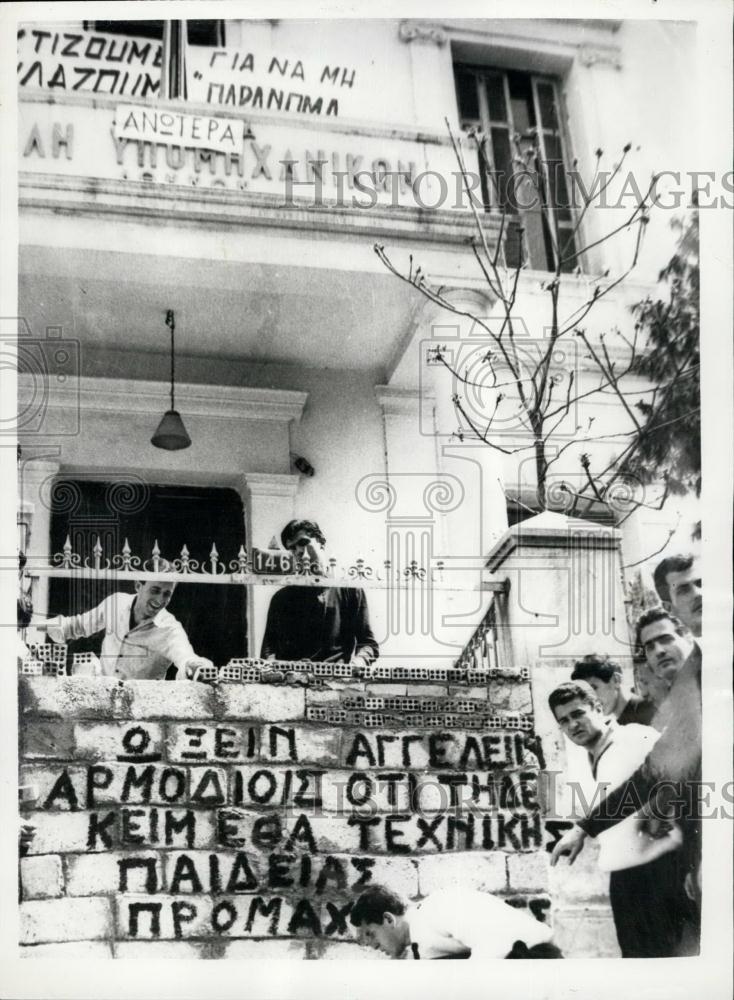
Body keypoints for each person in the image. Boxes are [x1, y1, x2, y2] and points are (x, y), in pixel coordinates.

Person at [550, 608, 702, 954]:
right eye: (564, 721)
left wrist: (689, 858)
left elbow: (666, 781)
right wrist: (584, 829)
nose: (573, 724)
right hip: (626, 878)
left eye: (580, 713)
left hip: (664, 870)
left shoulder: (637, 734)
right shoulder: (584, 757)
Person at [45, 567, 213, 681]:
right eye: (155, 591)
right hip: (102, 702)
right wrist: (34, 623)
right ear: (138, 586)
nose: (160, 600)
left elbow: (186, 658)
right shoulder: (116, 603)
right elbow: (76, 626)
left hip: (140, 713)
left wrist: (197, 666)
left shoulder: (170, 630)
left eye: (167, 594)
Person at [260, 519, 379, 667]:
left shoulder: (350, 591)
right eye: (291, 548)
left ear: (321, 543)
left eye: (303, 543)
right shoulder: (281, 598)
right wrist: (273, 668)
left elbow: (368, 644)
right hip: (291, 683)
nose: (298, 552)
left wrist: (356, 665)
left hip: (336, 682)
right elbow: (268, 649)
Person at [350, 885, 561, 959]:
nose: (371, 944)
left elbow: (497, 942)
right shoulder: (418, 942)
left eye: (370, 933)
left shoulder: (438, 907)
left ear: (388, 919)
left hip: (532, 958)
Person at [571, 654, 656, 726]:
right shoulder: (616, 723)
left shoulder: (648, 710)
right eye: (585, 694)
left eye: (594, 688)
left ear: (616, 680)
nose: (590, 700)